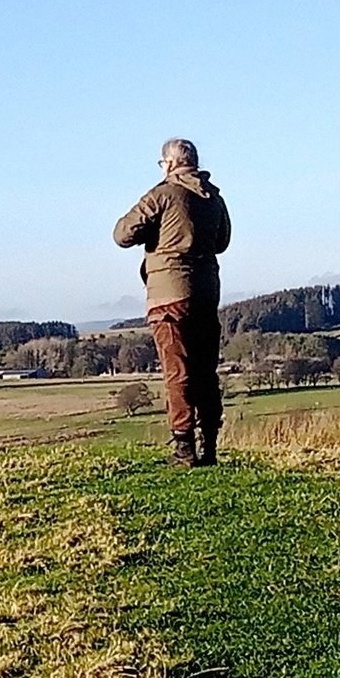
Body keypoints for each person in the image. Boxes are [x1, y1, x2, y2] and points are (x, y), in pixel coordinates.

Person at [113, 138, 231, 467]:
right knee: (206, 372)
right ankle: (210, 446)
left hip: (168, 295)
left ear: (168, 163)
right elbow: (222, 241)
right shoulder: (214, 198)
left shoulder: (163, 194)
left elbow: (122, 234)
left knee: (177, 372)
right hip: (207, 292)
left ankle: (184, 448)